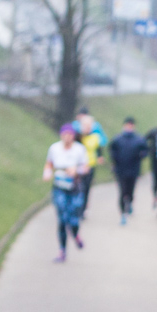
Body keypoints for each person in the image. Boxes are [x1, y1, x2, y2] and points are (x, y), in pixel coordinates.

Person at [43, 124, 90, 262]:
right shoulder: (54, 148)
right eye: (65, 134)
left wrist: (76, 170)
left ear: (73, 136)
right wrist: (47, 173)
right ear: (61, 135)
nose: (67, 137)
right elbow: (49, 163)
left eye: (70, 135)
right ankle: (62, 251)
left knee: (74, 219)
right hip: (59, 187)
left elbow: (86, 168)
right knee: (62, 219)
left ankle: (76, 235)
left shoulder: (79, 149)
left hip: (74, 188)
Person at [109, 117, 146, 225]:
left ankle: (129, 203)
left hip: (133, 170)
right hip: (120, 170)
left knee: (130, 191)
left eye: (131, 125)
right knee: (122, 191)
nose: (129, 127)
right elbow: (112, 150)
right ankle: (123, 214)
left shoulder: (139, 139)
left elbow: (145, 150)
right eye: (127, 125)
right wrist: (114, 161)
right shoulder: (117, 139)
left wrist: (141, 155)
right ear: (124, 126)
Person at [76, 111, 106, 214]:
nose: (87, 128)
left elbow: (98, 149)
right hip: (79, 166)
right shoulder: (78, 137)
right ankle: (77, 206)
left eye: (89, 126)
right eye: (85, 126)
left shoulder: (95, 137)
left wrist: (100, 157)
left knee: (87, 188)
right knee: (78, 187)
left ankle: (83, 208)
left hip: (91, 166)